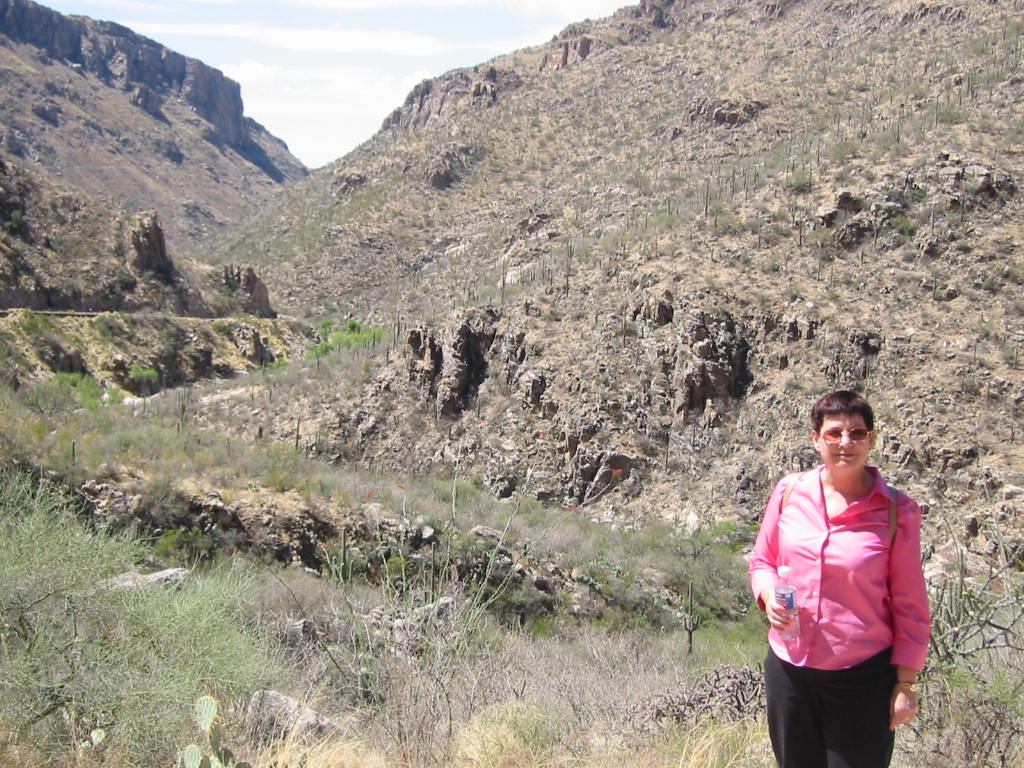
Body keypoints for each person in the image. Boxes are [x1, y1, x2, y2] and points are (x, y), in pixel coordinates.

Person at [749, 390, 930, 768]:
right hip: (789, 670)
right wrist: (768, 596)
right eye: (833, 433)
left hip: (862, 676)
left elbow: (911, 604)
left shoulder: (898, 511)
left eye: (857, 433)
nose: (845, 443)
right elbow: (763, 561)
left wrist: (907, 684)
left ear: (872, 440)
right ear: (816, 439)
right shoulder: (789, 492)